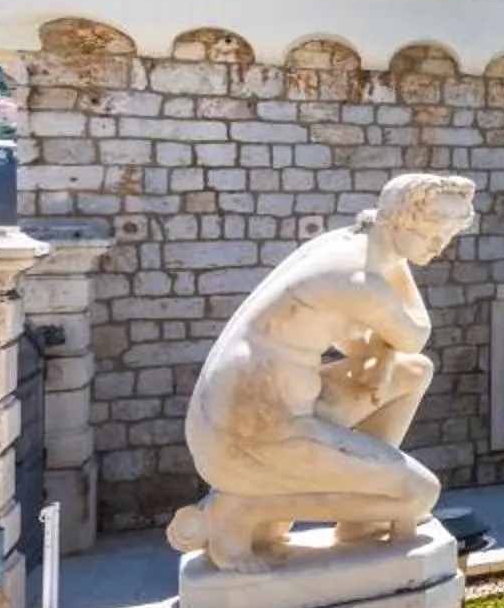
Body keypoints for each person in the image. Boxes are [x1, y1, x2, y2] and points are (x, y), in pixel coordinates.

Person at [169, 172, 478, 571]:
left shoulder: (349, 243)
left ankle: (358, 523)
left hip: (274, 406)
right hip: (246, 434)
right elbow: (416, 332)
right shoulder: (358, 278)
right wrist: (390, 331)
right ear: (397, 221)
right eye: (433, 232)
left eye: (449, 234)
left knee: (411, 372)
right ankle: (236, 512)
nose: (440, 246)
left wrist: (384, 360)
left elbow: (366, 345)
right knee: (419, 495)